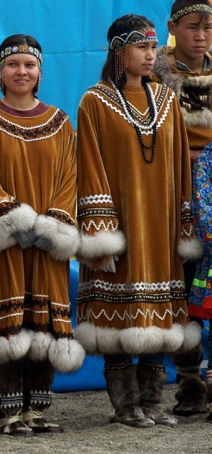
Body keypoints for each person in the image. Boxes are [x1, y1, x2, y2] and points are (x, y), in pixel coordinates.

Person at [75, 14, 202, 429]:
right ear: (118, 51)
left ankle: (152, 402)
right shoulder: (94, 101)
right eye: (141, 47)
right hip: (122, 224)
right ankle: (125, 406)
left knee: (161, 317)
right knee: (120, 317)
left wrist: (185, 222)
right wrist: (99, 232)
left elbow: (182, 167)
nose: (151, 55)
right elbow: (89, 166)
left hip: (161, 224)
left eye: (152, 47)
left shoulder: (167, 100)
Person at [0, 34, 84, 436]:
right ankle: (9, 412)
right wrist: (14, 217)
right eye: (13, 65)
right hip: (6, 238)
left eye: (29, 65)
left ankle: (38, 409)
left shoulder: (61, 122)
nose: (22, 72)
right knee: (7, 320)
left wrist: (52, 223)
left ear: (40, 73)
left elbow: (70, 177)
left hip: (48, 241)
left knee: (45, 320)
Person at [151, 0, 212, 418]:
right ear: (173, 27)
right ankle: (189, 384)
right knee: (181, 286)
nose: (202, 35)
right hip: (169, 191)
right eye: (193, 27)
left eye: (209, 27)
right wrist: (183, 158)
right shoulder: (153, 74)